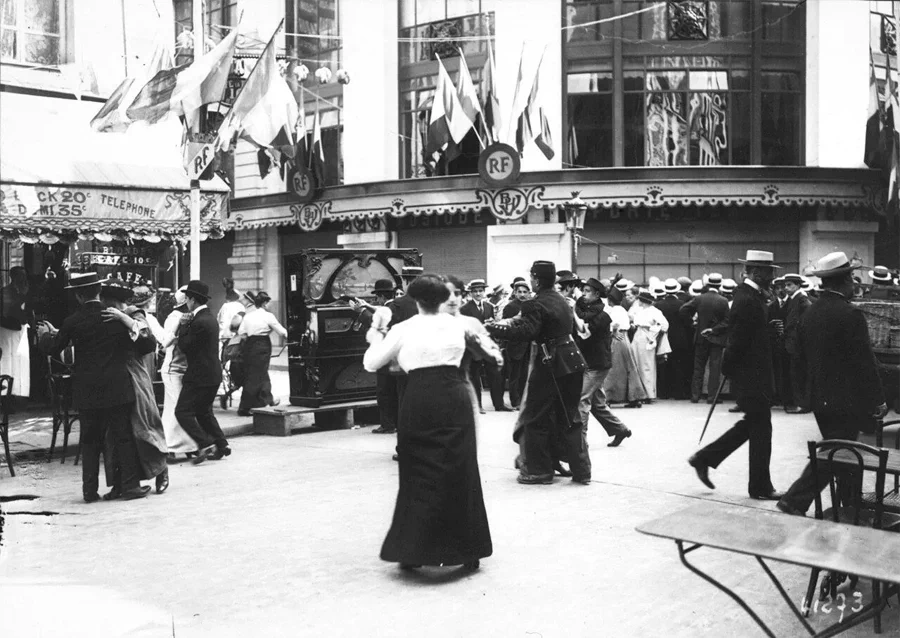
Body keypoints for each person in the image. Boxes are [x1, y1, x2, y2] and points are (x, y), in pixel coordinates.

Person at [363, 274, 493, 571]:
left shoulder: (404, 328)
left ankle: (414, 550)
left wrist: (376, 333)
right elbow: (485, 353)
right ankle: (468, 549)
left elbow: (372, 363)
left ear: (416, 300)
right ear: (442, 299)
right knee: (461, 469)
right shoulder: (460, 325)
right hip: (454, 395)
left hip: (420, 398)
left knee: (418, 471)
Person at [777, 252, 888, 516]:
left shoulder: (811, 312)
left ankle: (849, 502)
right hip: (847, 399)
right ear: (844, 280)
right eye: (852, 278)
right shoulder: (851, 314)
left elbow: (800, 357)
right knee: (840, 451)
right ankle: (795, 499)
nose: (854, 284)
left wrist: (805, 393)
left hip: (820, 397)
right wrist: (878, 398)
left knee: (841, 452)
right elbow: (864, 363)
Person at [37, 272, 149, 502]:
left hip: (86, 391)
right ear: (99, 292)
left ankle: (89, 491)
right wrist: (128, 321)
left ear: (78, 296)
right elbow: (146, 344)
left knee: (89, 441)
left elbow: (53, 348)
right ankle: (129, 487)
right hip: (118, 389)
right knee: (123, 438)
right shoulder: (114, 318)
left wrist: (45, 334)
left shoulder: (72, 321)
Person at [688, 251, 783, 501]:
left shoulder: (750, 296)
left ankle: (705, 458)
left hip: (754, 372)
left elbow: (746, 331)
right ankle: (760, 487)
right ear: (755, 272)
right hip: (752, 374)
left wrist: (768, 330)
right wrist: (728, 368)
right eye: (769, 271)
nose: (772, 276)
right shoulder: (747, 298)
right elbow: (738, 339)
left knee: (753, 425)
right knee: (760, 427)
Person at [486, 260, 590, 485]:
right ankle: (581, 470)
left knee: (534, 416)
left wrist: (494, 328)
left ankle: (538, 470)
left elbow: (528, 331)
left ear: (536, 279)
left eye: (532, 277)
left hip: (550, 363)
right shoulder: (562, 301)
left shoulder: (536, 303)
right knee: (568, 415)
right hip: (572, 361)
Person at [100, 280, 169, 497]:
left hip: (135, 376)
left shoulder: (134, 315)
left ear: (111, 301)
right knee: (119, 433)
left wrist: (124, 319)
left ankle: (161, 470)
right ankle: (122, 483)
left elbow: (148, 343)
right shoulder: (105, 318)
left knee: (143, 426)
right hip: (115, 378)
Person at [174, 280, 229, 464]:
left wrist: (183, 326)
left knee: (182, 412)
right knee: (204, 412)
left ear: (192, 300)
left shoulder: (197, 321)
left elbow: (184, 346)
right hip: (213, 373)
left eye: (187, 299)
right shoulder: (210, 317)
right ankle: (221, 444)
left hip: (199, 375)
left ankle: (205, 444)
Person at [575, 278, 632, 448]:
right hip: (590, 362)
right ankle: (620, 429)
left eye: (587, 291)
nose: (583, 294)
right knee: (597, 404)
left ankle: (580, 441)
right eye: (583, 290)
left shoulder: (603, 314)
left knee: (582, 400)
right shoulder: (587, 309)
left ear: (597, 294)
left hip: (596, 363)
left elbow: (584, 331)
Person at [157, 286, 197, 456]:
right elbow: (167, 342)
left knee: (182, 408)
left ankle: (185, 444)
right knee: (174, 408)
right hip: (173, 368)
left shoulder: (190, 317)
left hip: (184, 367)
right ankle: (170, 445)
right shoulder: (174, 318)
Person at [461, 278, 510, 413]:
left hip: (487, 345)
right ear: (471, 293)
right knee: (475, 376)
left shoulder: (489, 306)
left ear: (484, 292)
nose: (478, 294)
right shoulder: (464, 309)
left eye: (480, 291)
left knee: (495, 374)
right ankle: (478, 405)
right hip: (474, 346)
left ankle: (499, 405)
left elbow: (491, 325)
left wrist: (492, 325)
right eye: (475, 291)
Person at [679, 273, 729, 404]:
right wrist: (714, 329)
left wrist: (692, 323)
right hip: (716, 339)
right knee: (715, 368)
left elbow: (683, 310)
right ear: (719, 285)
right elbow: (727, 321)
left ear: (707, 284)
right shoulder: (723, 301)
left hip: (700, 337)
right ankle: (712, 397)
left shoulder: (699, 299)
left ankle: (695, 395)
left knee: (698, 368)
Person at [237, 291, 288, 416]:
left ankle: (267, 399)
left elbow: (241, 333)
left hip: (249, 345)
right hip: (262, 345)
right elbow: (282, 332)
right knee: (256, 376)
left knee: (257, 373)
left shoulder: (248, 316)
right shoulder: (268, 316)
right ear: (265, 303)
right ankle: (245, 407)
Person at [603, 287, 647, 408]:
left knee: (615, 368)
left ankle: (611, 396)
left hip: (617, 338)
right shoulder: (622, 309)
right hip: (625, 338)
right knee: (629, 367)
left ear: (610, 300)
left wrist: (612, 331)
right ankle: (635, 397)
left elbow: (615, 324)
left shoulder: (614, 311)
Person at [655, 278, 692, 400]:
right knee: (679, 365)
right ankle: (678, 392)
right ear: (677, 291)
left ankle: (664, 392)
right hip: (680, 338)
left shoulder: (658, 305)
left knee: (664, 365)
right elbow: (688, 323)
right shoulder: (682, 304)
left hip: (663, 338)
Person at [630, 290, 669, 402]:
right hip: (638, 336)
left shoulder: (655, 312)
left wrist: (652, 332)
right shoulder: (640, 310)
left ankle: (649, 393)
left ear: (643, 301)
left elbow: (664, 326)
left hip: (646, 337)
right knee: (637, 364)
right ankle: (640, 392)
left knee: (647, 365)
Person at [781, 273, 811, 414]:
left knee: (798, 374)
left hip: (798, 345)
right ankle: (799, 403)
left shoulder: (802, 300)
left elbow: (806, 321)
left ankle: (802, 404)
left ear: (798, 285)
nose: (786, 288)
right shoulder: (794, 299)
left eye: (789, 285)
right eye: (785, 285)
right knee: (795, 374)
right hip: (794, 343)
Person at [0, 266, 32, 399]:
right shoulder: (5, 291)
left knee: (20, 362)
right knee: (7, 361)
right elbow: (7, 311)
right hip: (7, 330)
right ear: (13, 277)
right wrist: (22, 297)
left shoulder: (26, 291)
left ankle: (18, 392)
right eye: (20, 275)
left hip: (20, 330)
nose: (23, 279)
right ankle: (5, 393)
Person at [501, 279, 532, 408]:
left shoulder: (531, 305)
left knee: (524, 374)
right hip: (515, 346)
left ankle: (522, 399)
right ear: (514, 292)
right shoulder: (510, 307)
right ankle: (515, 401)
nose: (522, 294)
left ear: (529, 293)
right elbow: (507, 327)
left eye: (525, 292)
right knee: (515, 375)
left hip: (528, 345)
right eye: (519, 292)